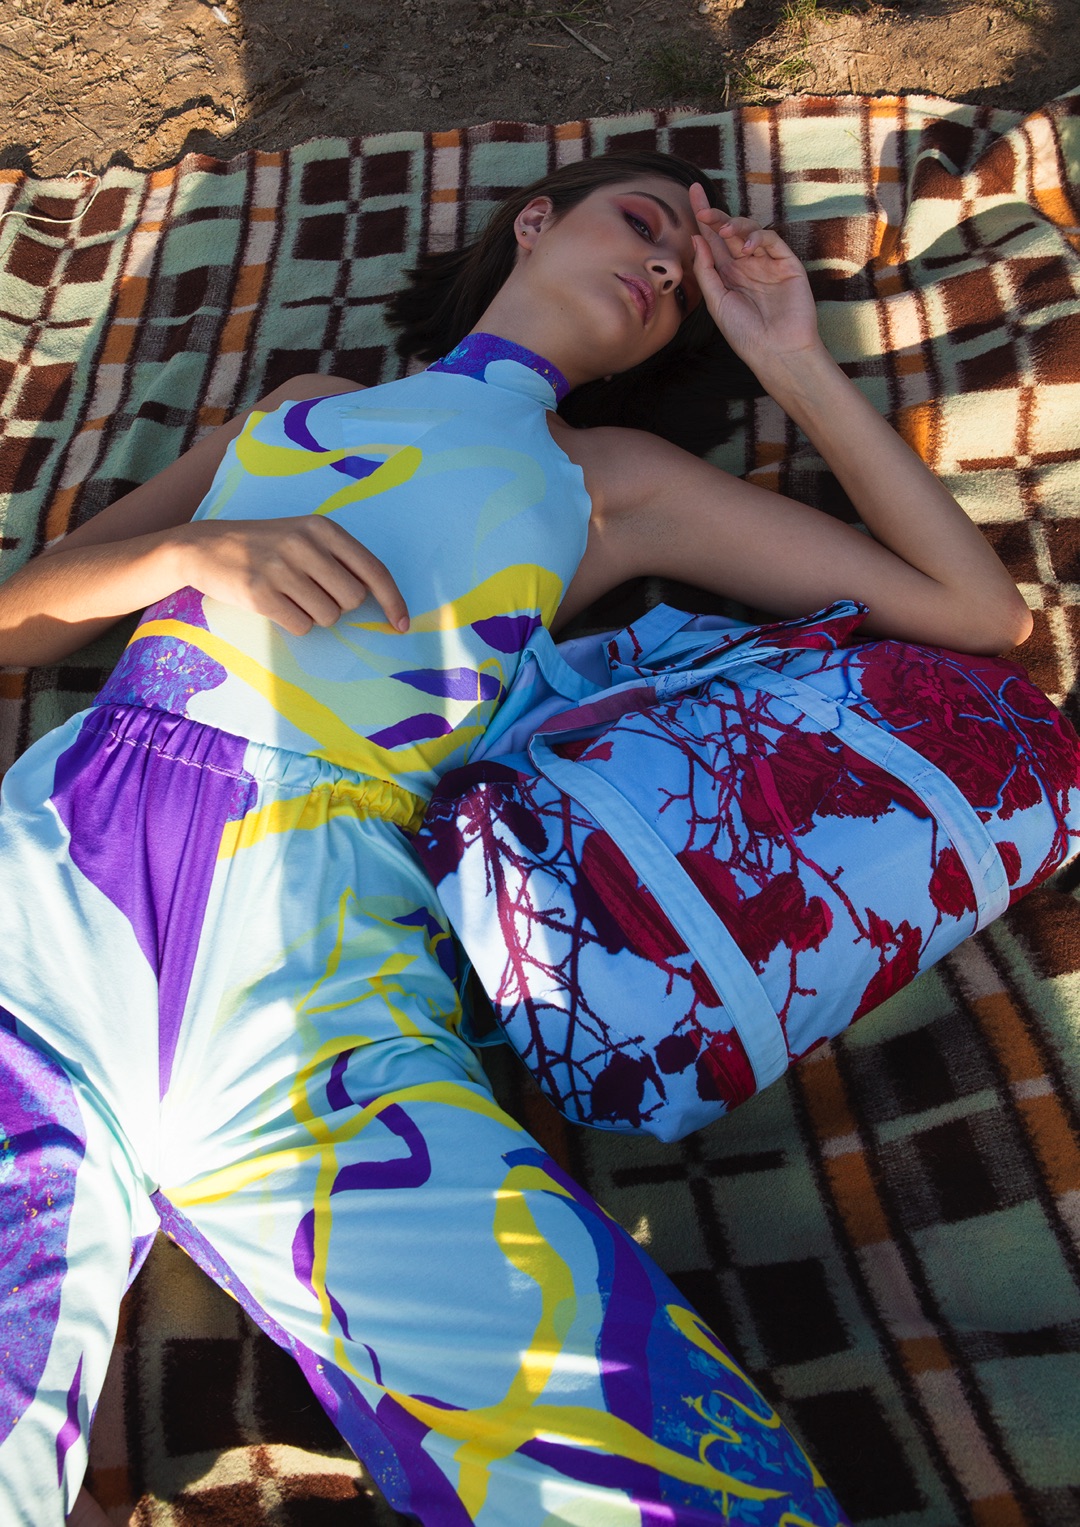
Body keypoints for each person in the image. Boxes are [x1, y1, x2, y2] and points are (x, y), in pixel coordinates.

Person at [0, 149, 1030, 1527]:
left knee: (657, 1462)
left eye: (683, 285)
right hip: (54, 893)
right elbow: (22, 623)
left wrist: (790, 358)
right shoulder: (300, 413)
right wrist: (184, 556)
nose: (660, 267)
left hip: (329, 975)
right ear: (534, 222)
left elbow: (978, 615)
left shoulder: (611, 480)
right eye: (643, 224)